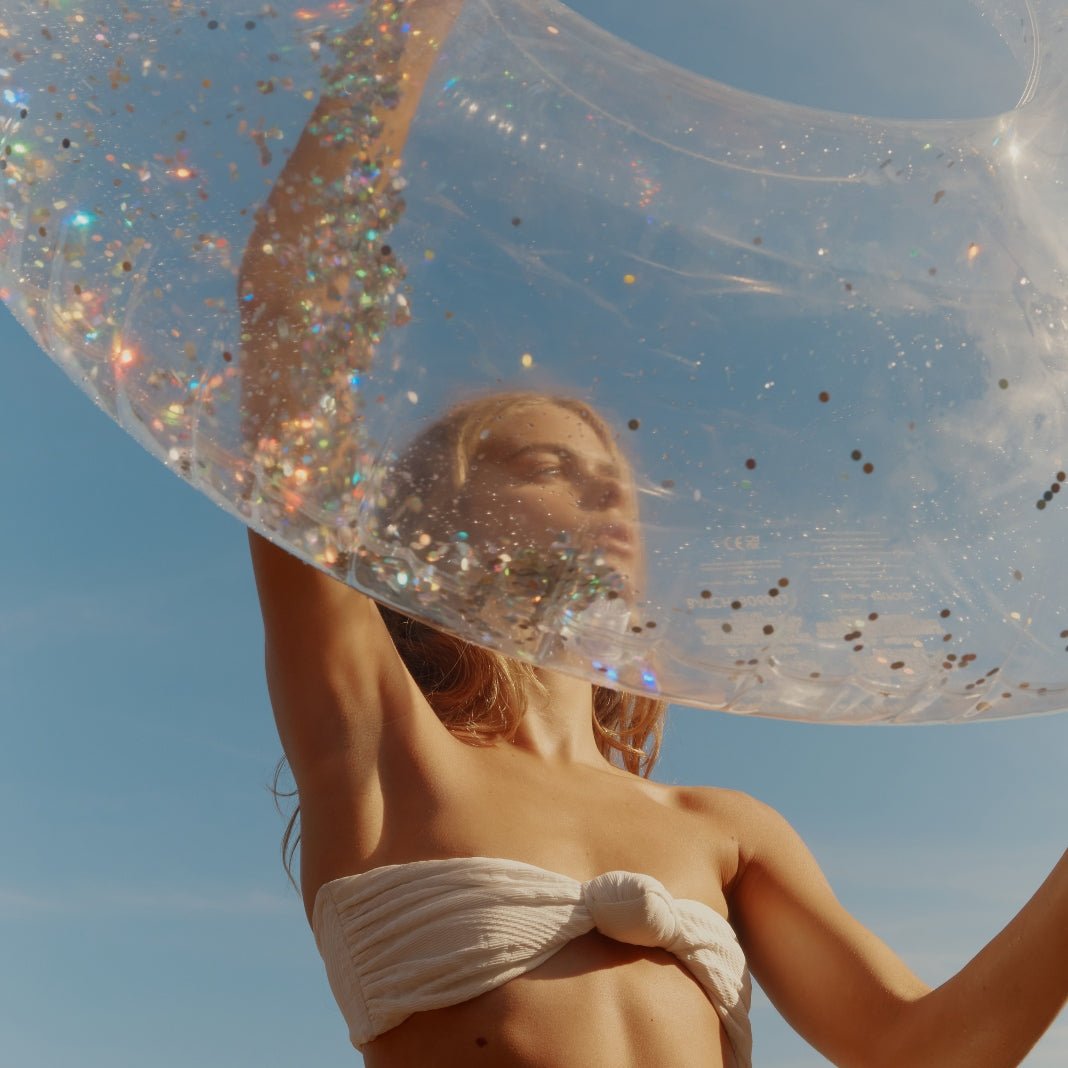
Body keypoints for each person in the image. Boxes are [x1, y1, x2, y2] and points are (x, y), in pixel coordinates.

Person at [238, 2, 1068, 1064]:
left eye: (617, 481)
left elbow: (929, 1051)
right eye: (548, 468)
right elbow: (287, 319)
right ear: (442, 516)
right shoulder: (381, 744)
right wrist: (412, 23)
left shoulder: (725, 830)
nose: (609, 496)